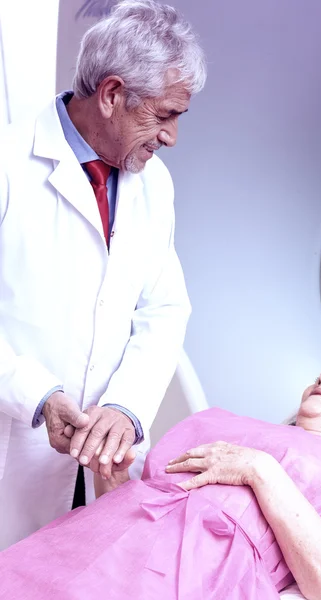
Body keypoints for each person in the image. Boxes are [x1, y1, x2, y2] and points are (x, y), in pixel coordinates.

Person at [0, 0, 207, 550]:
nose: (172, 137)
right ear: (112, 95)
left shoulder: (153, 184)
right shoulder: (7, 164)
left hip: (98, 453)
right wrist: (37, 396)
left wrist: (126, 405)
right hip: (11, 442)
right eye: (164, 115)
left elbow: (164, 309)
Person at [2, 358, 321, 600]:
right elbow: (143, 507)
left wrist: (260, 470)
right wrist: (112, 480)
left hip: (198, 580)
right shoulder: (227, 424)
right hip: (94, 541)